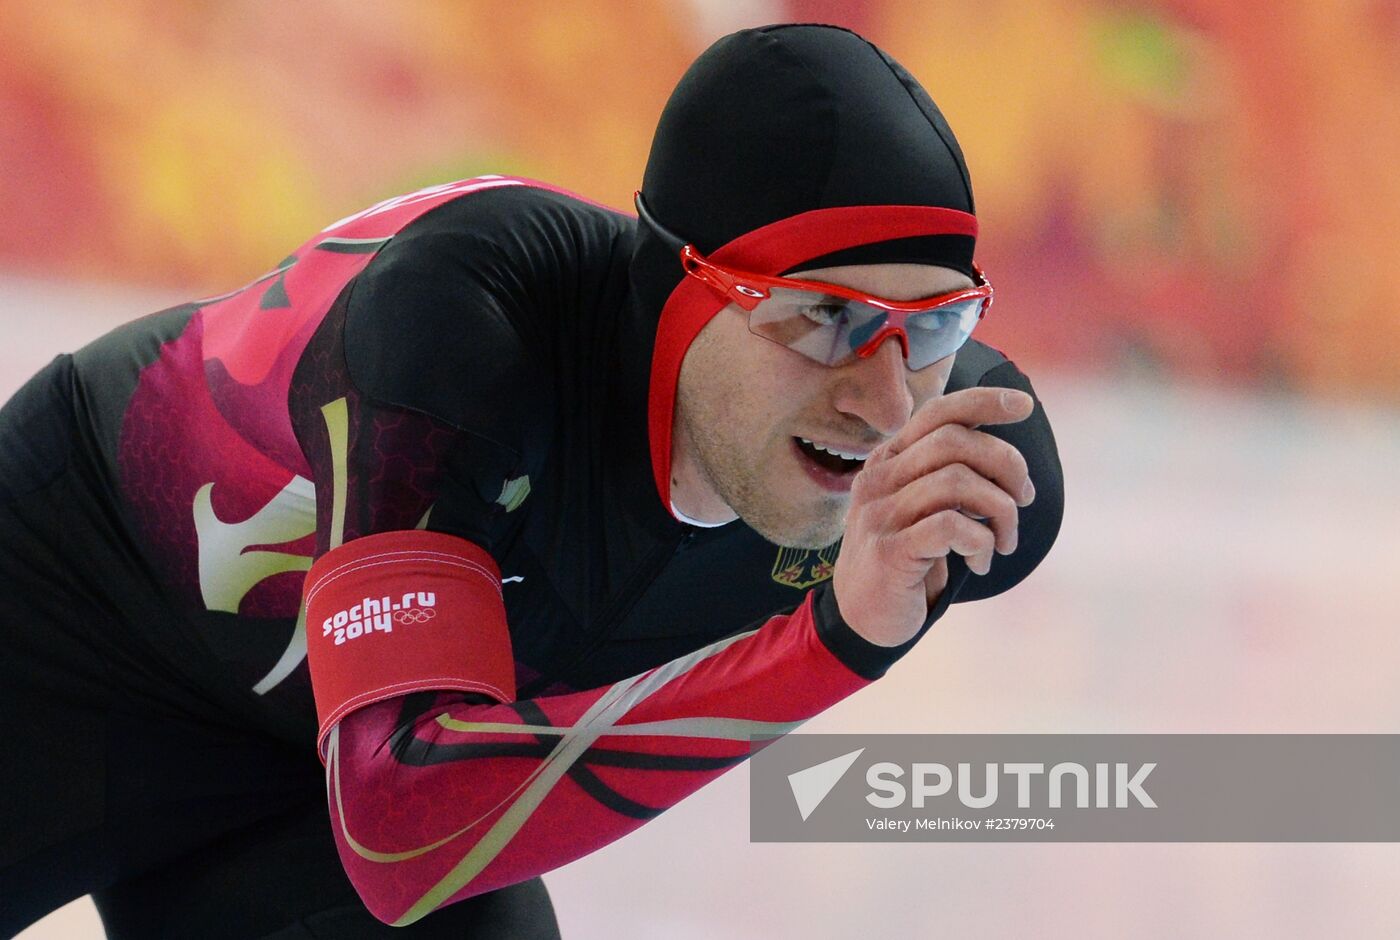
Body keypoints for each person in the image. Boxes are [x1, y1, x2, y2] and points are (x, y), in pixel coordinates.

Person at [0, 23, 1063, 939]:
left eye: (932, 326)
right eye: (826, 318)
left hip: (304, 801)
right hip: (73, 618)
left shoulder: (962, 471)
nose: (884, 404)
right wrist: (834, 640)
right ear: (680, 292)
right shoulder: (468, 322)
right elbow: (392, 816)